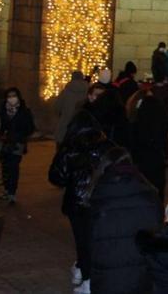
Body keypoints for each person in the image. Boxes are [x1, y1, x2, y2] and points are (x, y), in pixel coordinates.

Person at [49, 111, 115, 291]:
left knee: (82, 241)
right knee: (98, 240)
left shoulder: (69, 148)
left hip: (77, 203)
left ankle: (86, 277)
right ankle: (88, 274)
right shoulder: (107, 147)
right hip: (101, 201)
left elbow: (56, 177)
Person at [87, 146, 162, 294]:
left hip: (107, 278)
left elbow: (90, 242)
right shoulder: (151, 196)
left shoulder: (96, 197)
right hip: (142, 277)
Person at [127, 86, 168, 198]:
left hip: (139, 158)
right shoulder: (157, 110)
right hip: (155, 156)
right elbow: (164, 135)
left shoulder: (133, 115)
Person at [0, 87, 34, 205]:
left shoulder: (24, 111)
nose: (12, 98)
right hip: (4, 143)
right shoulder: (1, 110)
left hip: (17, 143)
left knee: (13, 167)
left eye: (14, 96)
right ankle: (7, 190)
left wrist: (19, 135)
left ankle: (12, 193)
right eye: (9, 96)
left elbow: (30, 128)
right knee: (5, 167)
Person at [55, 71, 90, 144]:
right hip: (83, 125)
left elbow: (57, 106)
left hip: (66, 124)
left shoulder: (66, 91)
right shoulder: (89, 91)